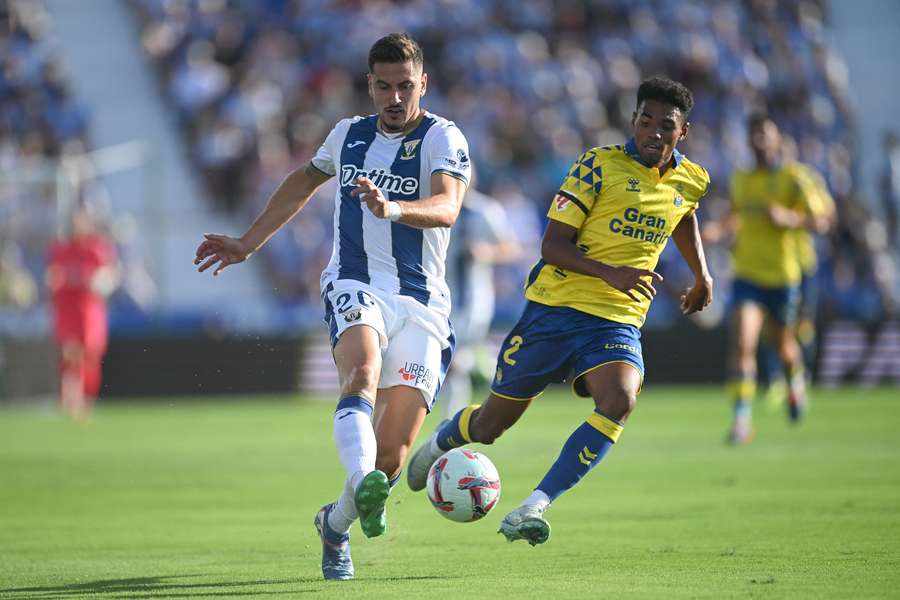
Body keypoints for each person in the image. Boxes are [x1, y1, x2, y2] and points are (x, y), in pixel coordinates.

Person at [193, 33, 470, 580]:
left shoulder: (443, 136)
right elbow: (303, 181)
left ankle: (335, 525)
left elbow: (447, 206)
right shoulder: (347, 135)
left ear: (424, 85)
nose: (394, 98)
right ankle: (362, 479)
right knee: (362, 372)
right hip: (355, 281)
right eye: (384, 87)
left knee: (393, 457)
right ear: (369, 85)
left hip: (422, 301)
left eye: (405, 87)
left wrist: (392, 208)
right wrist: (249, 242)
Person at [406, 76, 713, 545]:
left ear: (682, 132)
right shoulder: (596, 167)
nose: (653, 131)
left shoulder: (692, 180)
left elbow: (683, 214)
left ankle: (534, 505)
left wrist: (702, 274)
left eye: (665, 125)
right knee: (491, 427)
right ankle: (443, 440)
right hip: (554, 310)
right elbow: (552, 246)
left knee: (621, 400)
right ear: (633, 120)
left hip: (616, 318)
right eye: (645, 120)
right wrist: (610, 271)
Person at [724, 113, 833, 444]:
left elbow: (825, 220)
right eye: (754, 134)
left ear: (776, 140)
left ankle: (795, 383)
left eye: (764, 134)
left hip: (783, 277)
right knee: (743, 344)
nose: (759, 140)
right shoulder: (740, 179)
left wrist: (789, 217)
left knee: (784, 345)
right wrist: (715, 230)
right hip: (746, 274)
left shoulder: (794, 178)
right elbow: (735, 218)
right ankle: (741, 421)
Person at [442, 183, 520, 417]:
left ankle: (450, 419)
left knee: (456, 362)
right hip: (439, 295)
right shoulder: (438, 205)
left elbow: (511, 247)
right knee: (454, 362)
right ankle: (486, 368)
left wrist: (485, 252)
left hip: (473, 299)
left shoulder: (484, 210)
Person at [46, 205, 118, 421]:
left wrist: (100, 281)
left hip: (89, 311)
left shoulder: (97, 249)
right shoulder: (60, 249)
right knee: (69, 353)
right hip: (67, 308)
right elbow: (53, 276)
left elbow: (108, 276)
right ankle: (70, 398)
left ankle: (86, 398)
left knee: (89, 356)